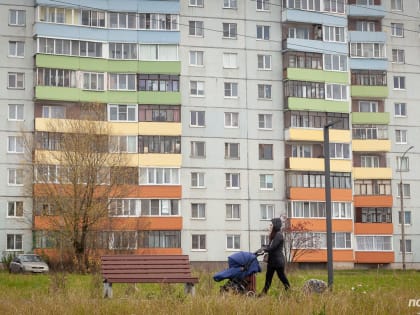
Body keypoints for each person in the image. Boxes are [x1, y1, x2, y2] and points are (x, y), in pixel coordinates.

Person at [260, 217, 290, 294]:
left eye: (271, 225)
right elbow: (270, 246)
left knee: (281, 277)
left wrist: (264, 249)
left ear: (275, 225)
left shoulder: (278, 235)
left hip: (277, 262)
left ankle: (289, 290)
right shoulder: (274, 235)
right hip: (272, 261)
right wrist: (263, 247)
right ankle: (264, 293)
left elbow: (273, 247)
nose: (270, 226)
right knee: (268, 278)